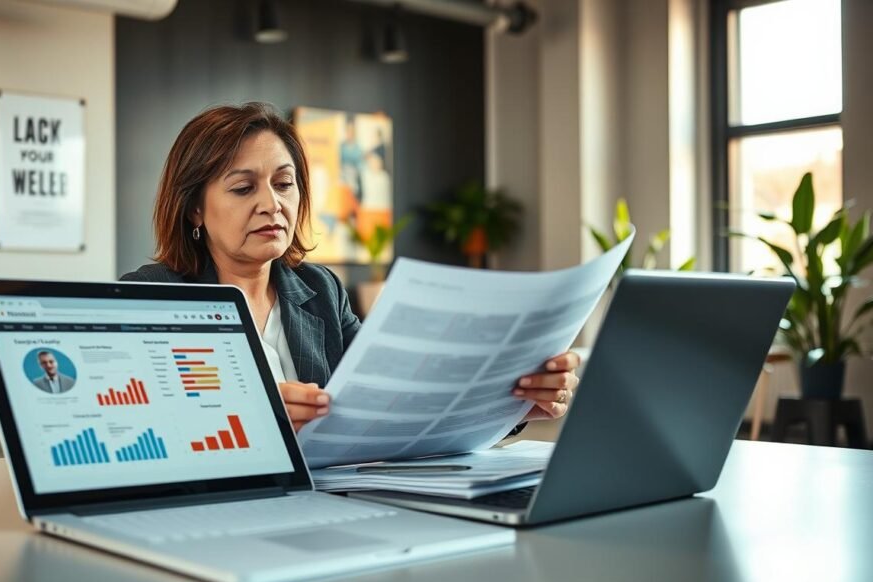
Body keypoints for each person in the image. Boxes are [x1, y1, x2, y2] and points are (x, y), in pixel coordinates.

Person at [121, 102, 580, 431]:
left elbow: (390, 398)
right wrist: (248, 416)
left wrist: (508, 403)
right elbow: (128, 421)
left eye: (284, 184)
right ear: (194, 209)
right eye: (243, 189)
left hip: (325, 505)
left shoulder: (319, 289)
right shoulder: (153, 298)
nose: (272, 204)